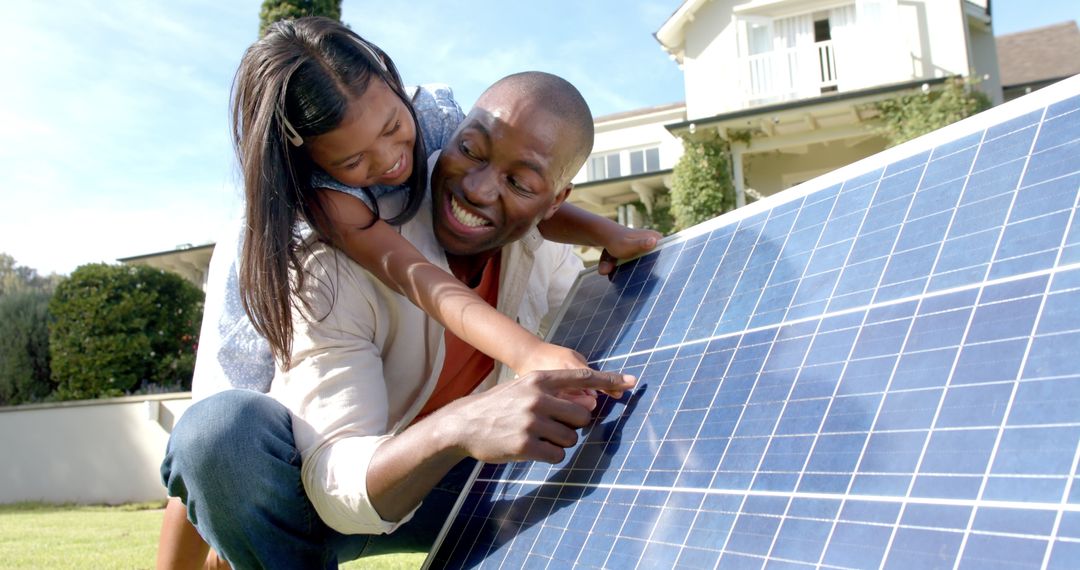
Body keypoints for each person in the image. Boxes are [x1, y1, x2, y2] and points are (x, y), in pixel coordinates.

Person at [158, 17, 653, 569]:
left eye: (395, 126)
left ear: (399, 90)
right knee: (217, 438)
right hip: (299, 455)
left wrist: (604, 232)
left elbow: (517, 173)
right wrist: (524, 359)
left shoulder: (439, 125)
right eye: (354, 160)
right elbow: (425, 282)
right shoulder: (319, 219)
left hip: (441, 484)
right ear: (314, 160)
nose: (392, 159)